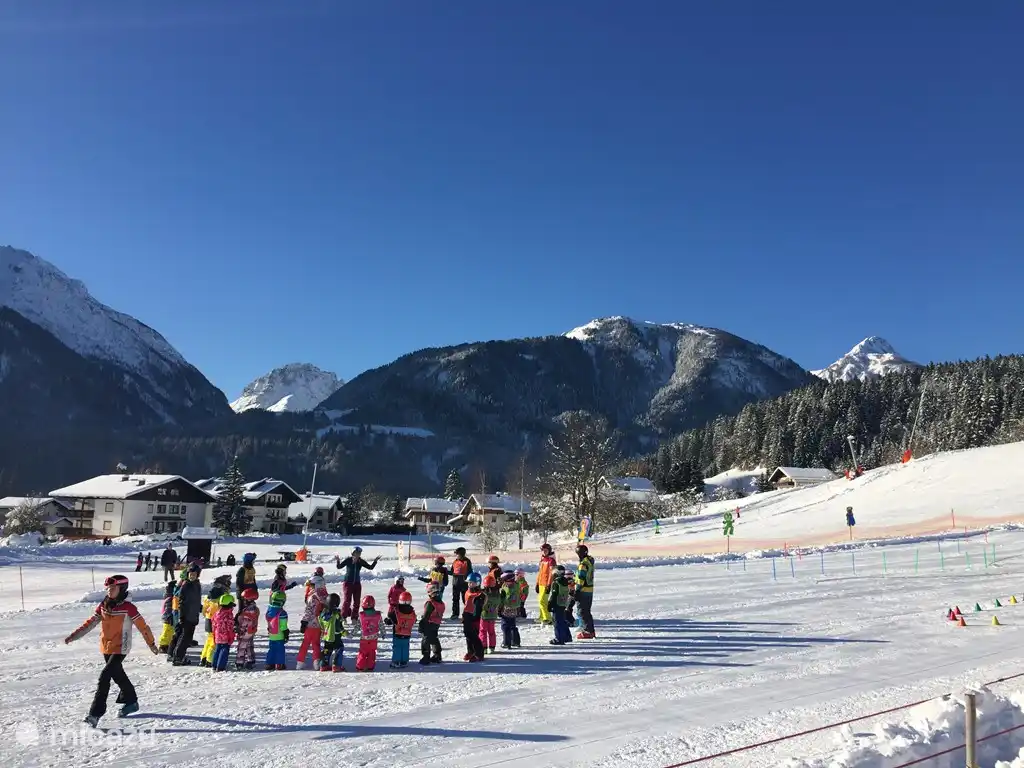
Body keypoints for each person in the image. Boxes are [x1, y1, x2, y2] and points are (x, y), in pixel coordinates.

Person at [65, 574, 158, 726]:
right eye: (108, 588)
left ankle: (95, 714)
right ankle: (132, 701)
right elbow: (91, 623)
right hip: (106, 646)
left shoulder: (129, 608)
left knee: (104, 677)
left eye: (113, 588)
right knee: (117, 675)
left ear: (121, 588)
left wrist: (151, 643)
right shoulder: (104, 604)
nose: (109, 591)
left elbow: (143, 626)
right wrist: (74, 636)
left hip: (120, 647)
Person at [335, 547, 379, 622]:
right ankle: (343, 617)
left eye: (359, 553)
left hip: (357, 584)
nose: (359, 554)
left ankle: (354, 618)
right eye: (357, 553)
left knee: (357, 601)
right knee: (347, 601)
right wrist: (338, 561)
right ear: (353, 553)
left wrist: (375, 561)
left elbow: (370, 567)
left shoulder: (360, 561)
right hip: (348, 583)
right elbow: (339, 567)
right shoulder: (348, 560)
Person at [171, 563, 202, 665]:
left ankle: (180, 655)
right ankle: (178, 657)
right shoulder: (186, 585)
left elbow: (197, 599)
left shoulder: (197, 585)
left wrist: (200, 607)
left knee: (187, 638)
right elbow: (181, 603)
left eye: (194, 574)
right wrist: (181, 616)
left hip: (193, 615)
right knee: (184, 637)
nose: (192, 576)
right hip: (186, 616)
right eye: (190, 574)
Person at [200, 575, 232, 668]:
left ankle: (204, 658)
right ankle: (210, 660)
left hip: (208, 619)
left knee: (209, 639)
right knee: (214, 641)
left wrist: (206, 615)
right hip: (216, 621)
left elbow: (204, 609)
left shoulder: (209, 596)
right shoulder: (222, 597)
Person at [297, 576, 328, 669]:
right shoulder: (325, 595)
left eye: (312, 585)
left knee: (306, 643)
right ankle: (316, 662)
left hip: (310, 624)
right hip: (320, 624)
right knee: (316, 643)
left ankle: (300, 662)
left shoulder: (313, 596)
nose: (310, 587)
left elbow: (309, 610)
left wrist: (304, 621)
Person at [418, 582, 444, 665]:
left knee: (426, 639)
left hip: (429, 624)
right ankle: (437, 655)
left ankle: (426, 657)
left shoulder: (430, 603)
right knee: (434, 638)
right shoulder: (441, 603)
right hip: (436, 624)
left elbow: (426, 616)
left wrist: (421, 625)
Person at [318, 593, 346, 672]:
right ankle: (336, 665)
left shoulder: (323, 613)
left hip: (327, 636)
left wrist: (323, 630)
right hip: (335, 636)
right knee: (339, 648)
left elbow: (320, 621)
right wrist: (344, 632)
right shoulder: (336, 614)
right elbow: (338, 626)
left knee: (327, 649)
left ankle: (323, 665)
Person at [462, 572, 485, 662]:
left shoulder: (480, 595)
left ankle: (479, 654)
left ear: (478, 583)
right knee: (468, 635)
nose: (470, 584)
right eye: (469, 582)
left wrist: (473, 618)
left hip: (474, 618)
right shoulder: (467, 592)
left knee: (474, 636)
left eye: (472, 583)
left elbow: (478, 608)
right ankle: (470, 651)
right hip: (467, 616)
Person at [355, 595, 382, 672]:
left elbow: (357, 626)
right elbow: (381, 625)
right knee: (372, 653)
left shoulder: (361, 616)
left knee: (362, 653)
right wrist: (383, 633)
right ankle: (370, 666)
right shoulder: (378, 615)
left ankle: (360, 666)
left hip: (364, 639)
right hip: (374, 639)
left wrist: (352, 634)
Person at [234, 587, 260, 670]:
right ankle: (251, 660)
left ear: (249, 600)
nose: (243, 601)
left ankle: (239, 662)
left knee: (241, 647)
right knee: (249, 646)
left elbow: (245, 623)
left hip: (245, 632)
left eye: (244, 599)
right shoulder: (255, 609)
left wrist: (239, 629)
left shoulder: (247, 612)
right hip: (251, 631)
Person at [547, 565, 573, 645]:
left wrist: (550, 604)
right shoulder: (565, 581)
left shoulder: (556, 582)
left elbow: (554, 594)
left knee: (557, 621)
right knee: (562, 620)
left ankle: (559, 638)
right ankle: (567, 637)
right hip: (563, 603)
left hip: (557, 604)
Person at [575, 544, 596, 639]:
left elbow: (581, 578)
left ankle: (587, 630)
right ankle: (589, 630)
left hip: (583, 590)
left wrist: (577, 590)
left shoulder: (583, 564)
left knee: (582, 611)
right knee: (586, 611)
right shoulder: (589, 561)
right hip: (589, 590)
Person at [265, 590, 290, 670]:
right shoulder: (282, 613)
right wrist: (286, 633)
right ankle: (279, 664)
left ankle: (269, 663)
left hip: (272, 634)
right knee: (280, 650)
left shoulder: (269, 610)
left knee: (272, 649)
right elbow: (283, 626)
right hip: (279, 635)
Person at [390, 591, 416, 668]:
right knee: (405, 648)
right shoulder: (412, 612)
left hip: (397, 633)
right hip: (407, 633)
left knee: (397, 647)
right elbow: (415, 620)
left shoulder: (397, 611)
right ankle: (404, 661)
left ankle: (396, 661)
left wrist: (387, 621)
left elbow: (390, 618)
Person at [211, 593, 236, 672]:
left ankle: (214, 665)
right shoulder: (228, 615)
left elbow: (213, 624)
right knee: (224, 651)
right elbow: (230, 627)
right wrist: (231, 636)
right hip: (226, 636)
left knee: (217, 649)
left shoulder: (217, 613)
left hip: (218, 635)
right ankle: (220, 667)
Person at [498, 571, 521, 649]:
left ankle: (506, 642)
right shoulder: (516, 586)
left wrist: (499, 609)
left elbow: (502, 600)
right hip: (515, 609)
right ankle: (515, 641)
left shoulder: (506, 589)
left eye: (505, 581)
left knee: (505, 626)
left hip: (507, 609)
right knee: (513, 625)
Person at [478, 573, 500, 654]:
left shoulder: (483, 594)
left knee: (482, 631)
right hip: (493, 615)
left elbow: (481, 604)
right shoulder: (497, 594)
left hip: (484, 615)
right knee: (491, 631)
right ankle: (492, 647)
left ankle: (483, 647)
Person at [449, 547, 473, 619]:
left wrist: (465, 577)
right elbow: (452, 571)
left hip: (464, 583)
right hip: (455, 583)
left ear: (462, 554)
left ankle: (467, 613)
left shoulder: (467, 561)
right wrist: (445, 571)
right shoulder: (455, 561)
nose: (456, 555)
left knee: (465, 599)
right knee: (455, 599)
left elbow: (470, 572)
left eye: (457, 554)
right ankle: (455, 614)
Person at [536, 543, 557, 625]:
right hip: (541, 583)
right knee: (540, 601)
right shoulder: (542, 560)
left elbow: (552, 573)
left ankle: (547, 618)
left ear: (549, 550)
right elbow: (540, 572)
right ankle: (542, 616)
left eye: (546, 550)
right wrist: (537, 583)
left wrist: (549, 584)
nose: (544, 552)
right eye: (543, 551)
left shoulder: (551, 560)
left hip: (546, 584)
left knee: (542, 601)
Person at [158, 582, 176, 653]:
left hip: (169, 618)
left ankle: (167, 644)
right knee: (166, 632)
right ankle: (163, 645)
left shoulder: (169, 597)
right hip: (168, 618)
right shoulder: (170, 598)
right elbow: (168, 609)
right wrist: (169, 616)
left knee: (170, 631)